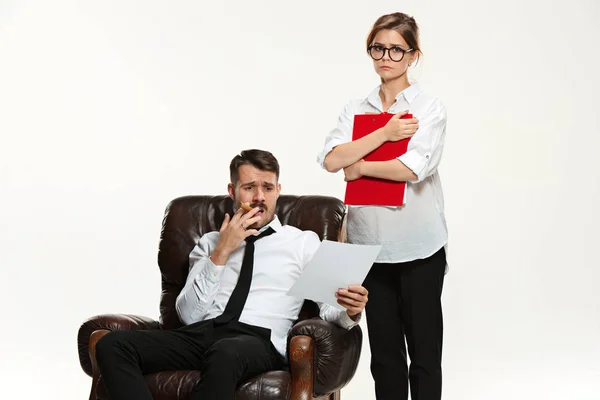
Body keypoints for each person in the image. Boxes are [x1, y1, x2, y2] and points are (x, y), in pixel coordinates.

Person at [95, 149, 368, 399]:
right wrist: (222, 252)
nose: (259, 197)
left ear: (278, 190)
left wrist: (351, 311)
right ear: (232, 190)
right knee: (112, 345)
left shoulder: (303, 243)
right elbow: (189, 315)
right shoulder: (210, 242)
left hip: (259, 340)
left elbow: (330, 307)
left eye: (268, 188)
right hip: (203, 333)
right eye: (249, 187)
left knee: (226, 352)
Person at [317, 12, 448, 400]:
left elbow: (412, 168)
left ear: (413, 56)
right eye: (378, 47)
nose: (385, 56)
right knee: (385, 358)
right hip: (369, 247)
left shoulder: (428, 107)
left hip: (419, 247)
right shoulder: (356, 108)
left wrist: (360, 165)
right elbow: (330, 160)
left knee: (424, 355)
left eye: (396, 49)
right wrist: (386, 132)